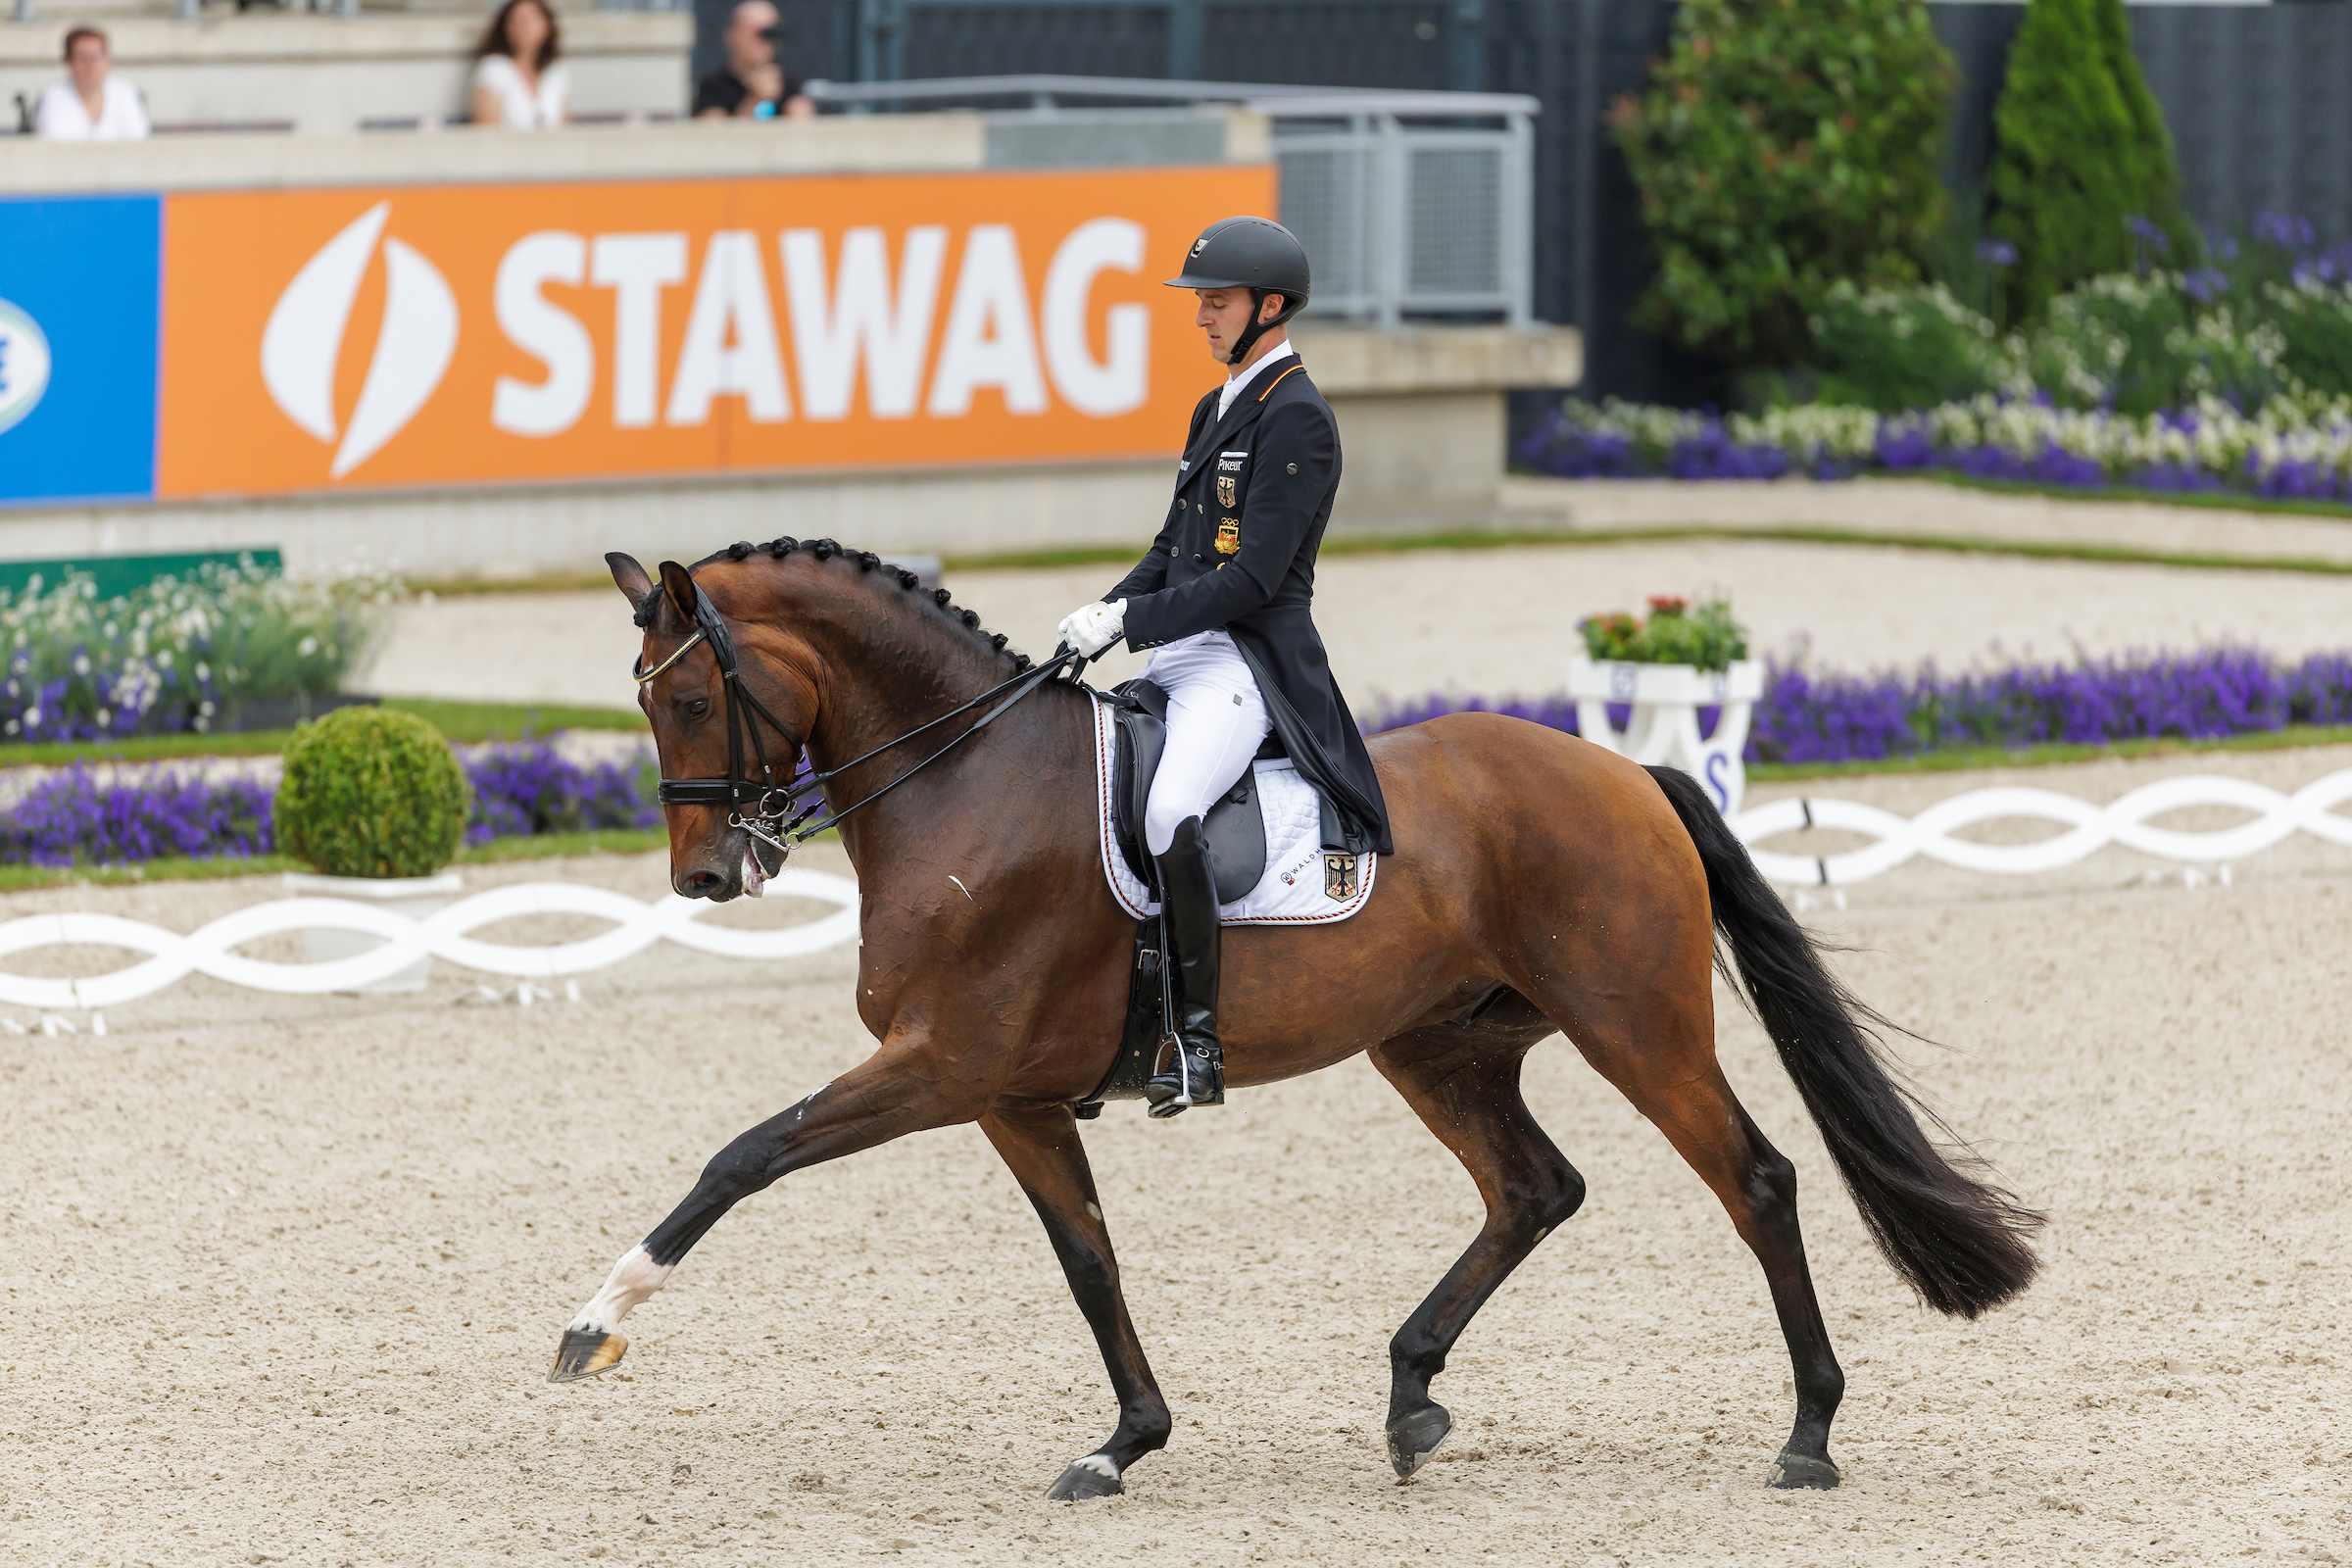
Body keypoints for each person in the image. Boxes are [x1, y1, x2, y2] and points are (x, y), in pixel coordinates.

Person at [1054, 217, 1394, 1117]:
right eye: (1201, 300)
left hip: (1248, 661)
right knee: (1082, 779)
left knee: (1169, 808)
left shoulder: (1299, 418)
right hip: (1183, 651)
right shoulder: (1216, 409)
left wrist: (1127, 618)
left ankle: (1196, 1039)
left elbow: (1250, 581)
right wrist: (1098, 619)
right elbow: (1174, 547)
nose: (1201, 315)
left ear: (1269, 307)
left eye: (1217, 300)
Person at [692, 1, 815, 122]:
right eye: (759, 34)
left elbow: (806, 129)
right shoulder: (713, 86)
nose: (766, 42)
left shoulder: (788, 83)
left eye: (771, 34)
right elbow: (714, 135)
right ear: (733, 35)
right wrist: (754, 100)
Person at [33, 26, 149, 141]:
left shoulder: (125, 93)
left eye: (95, 58)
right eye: (82, 58)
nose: (90, 65)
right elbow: (51, 144)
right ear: (69, 63)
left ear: (108, 61)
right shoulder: (53, 96)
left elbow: (139, 141)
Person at [471, 0, 568, 131]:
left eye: (532, 18)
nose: (525, 27)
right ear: (506, 27)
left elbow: (565, 129)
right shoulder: (493, 68)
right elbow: (487, 133)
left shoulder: (556, 71)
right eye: (518, 20)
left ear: (547, 25)